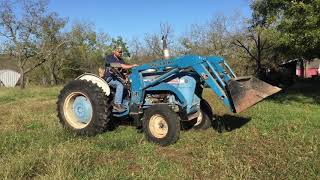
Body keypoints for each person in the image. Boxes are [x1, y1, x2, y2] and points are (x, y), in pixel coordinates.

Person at [105, 46, 137, 112]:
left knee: (128, 87)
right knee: (120, 85)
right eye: (119, 52)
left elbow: (124, 71)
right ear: (114, 51)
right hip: (110, 78)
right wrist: (132, 66)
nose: (120, 53)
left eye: (121, 52)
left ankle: (127, 103)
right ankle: (116, 104)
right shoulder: (109, 57)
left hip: (117, 78)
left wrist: (126, 77)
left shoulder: (121, 60)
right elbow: (120, 66)